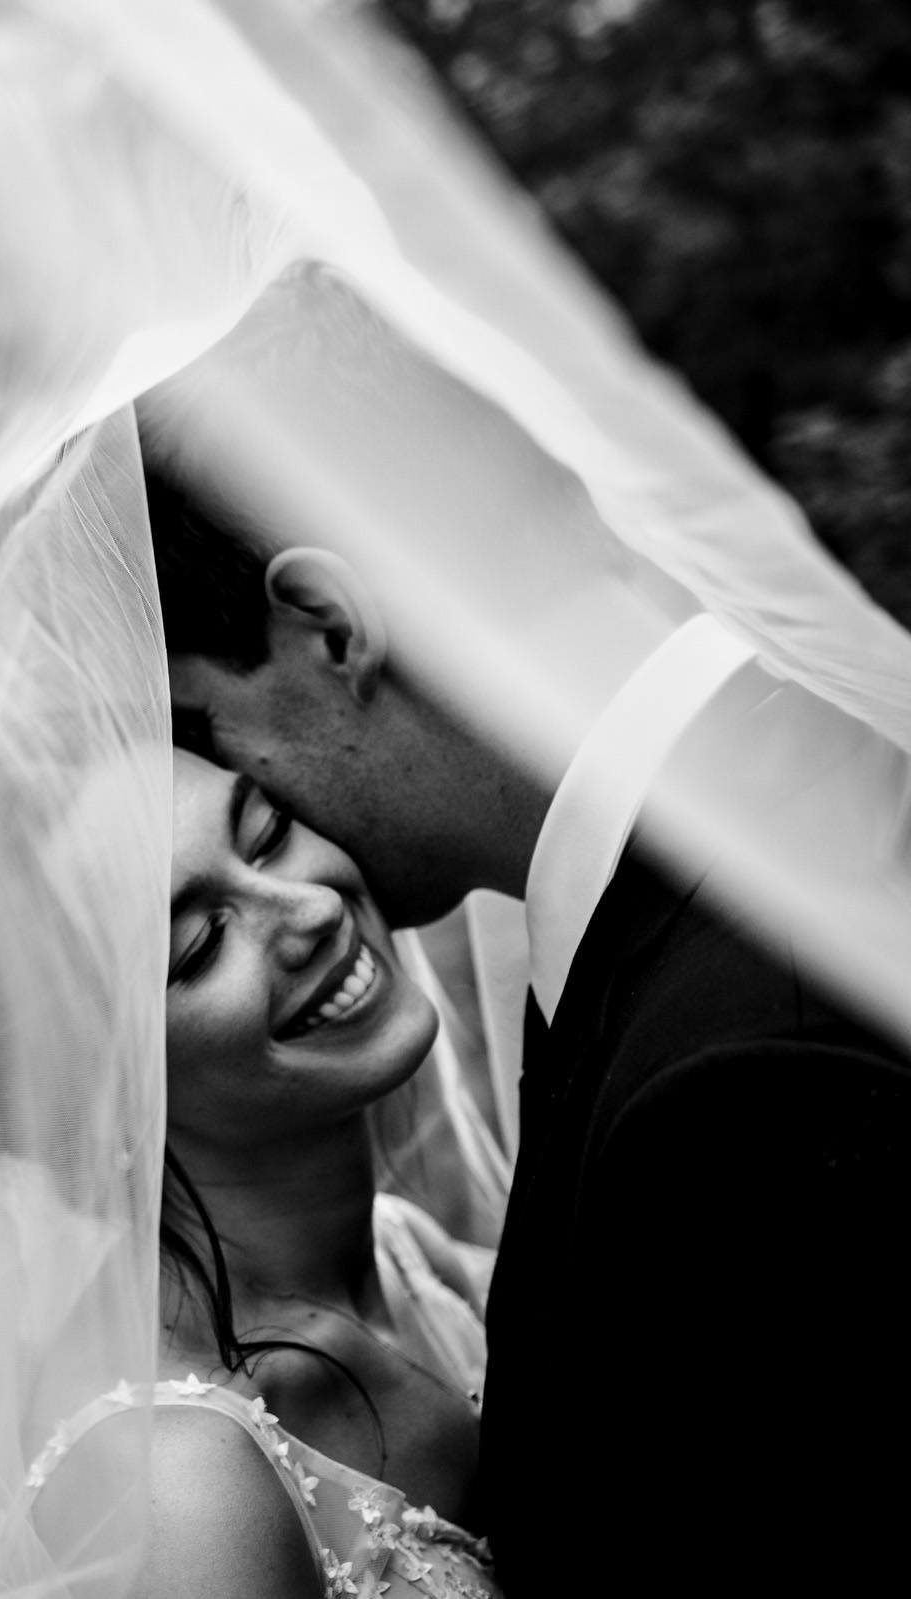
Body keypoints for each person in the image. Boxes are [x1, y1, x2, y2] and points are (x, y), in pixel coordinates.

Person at [144, 269, 911, 1595]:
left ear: (333, 625)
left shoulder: (732, 1083)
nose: (253, 791)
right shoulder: (834, 764)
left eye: (214, 730)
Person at [0, 740, 500, 1599]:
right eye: (201, 943)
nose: (309, 906)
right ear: (97, 1097)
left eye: (268, 833)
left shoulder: (400, 1251)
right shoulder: (182, 1489)